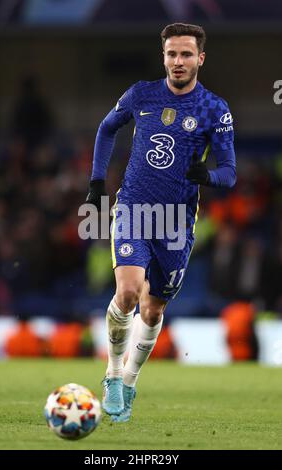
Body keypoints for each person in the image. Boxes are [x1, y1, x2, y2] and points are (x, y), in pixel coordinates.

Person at [86, 23, 236, 422]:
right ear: (163, 56)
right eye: (172, 54)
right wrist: (98, 182)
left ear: (200, 58)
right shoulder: (141, 94)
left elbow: (230, 172)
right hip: (133, 208)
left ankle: (131, 380)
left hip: (176, 221)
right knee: (130, 292)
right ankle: (113, 375)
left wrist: (209, 177)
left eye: (186, 54)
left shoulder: (214, 109)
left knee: (152, 312)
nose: (178, 61)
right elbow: (106, 129)